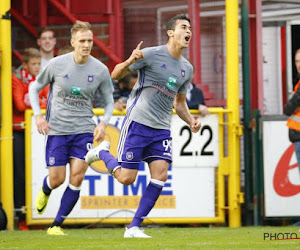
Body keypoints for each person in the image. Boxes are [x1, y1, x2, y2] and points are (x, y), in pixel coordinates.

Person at [85, 14, 201, 238]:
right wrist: (129, 61)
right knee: (127, 179)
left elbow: (179, 103)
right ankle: (102, 152)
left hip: (161, 129)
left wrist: (191, 121)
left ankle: (134, 227)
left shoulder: (187, 68)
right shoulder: (150, 54)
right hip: (138, 122)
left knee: (160, 175)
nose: (188, 31)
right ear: (170, 33)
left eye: (190, 28)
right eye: (183, 27)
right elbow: (115, 74)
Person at [29, 20, 114, 235]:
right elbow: (34, 87)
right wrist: (38, 116)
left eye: (90, 41)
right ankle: (47, 188)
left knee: (77, 176)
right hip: (57, 131)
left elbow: (109, 100)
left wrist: (103, 122)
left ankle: (56, 224)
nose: (86, 45)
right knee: (57, 179)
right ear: (73, 42)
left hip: (84, 130)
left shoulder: (100, 69)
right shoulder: (57, 64)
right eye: (82, 41)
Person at [12, 48, 46, 230]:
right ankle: (23, 217)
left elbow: (50, 100)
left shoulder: (42, 78)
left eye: (39, 63)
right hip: (19, 132)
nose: (37, 67)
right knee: (21, 175)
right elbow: (19, 104)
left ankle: (40, 215)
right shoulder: (15, 78)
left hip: (38, 131)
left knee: (40, 172)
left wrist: (35, 103)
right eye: (33, 64)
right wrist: (40, 103)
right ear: (24, 64)